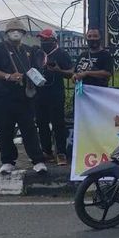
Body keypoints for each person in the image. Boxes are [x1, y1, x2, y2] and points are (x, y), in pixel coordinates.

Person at [0, 18, 47, 174]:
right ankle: (8, 161)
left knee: (29, 130)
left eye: (18, 30)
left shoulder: (27, 51)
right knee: (5, 130)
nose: (15, 33)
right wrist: (8, 76)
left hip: (24, 97)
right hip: (3, 97)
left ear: (23, 33)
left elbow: (34, 69)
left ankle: (38, 160)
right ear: (6, 33)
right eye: (12, 30)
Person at [34, 28, 73, 166]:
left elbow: (71, 72)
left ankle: (61, 152)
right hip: (39, 93)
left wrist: (58, 70)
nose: (43, 42)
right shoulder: (38, 53)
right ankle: (46, 151)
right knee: (41, 123)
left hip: (55, 93)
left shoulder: (61, 53)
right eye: (41, 39)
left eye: (46, 39)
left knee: (58, 124)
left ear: (54, 40)